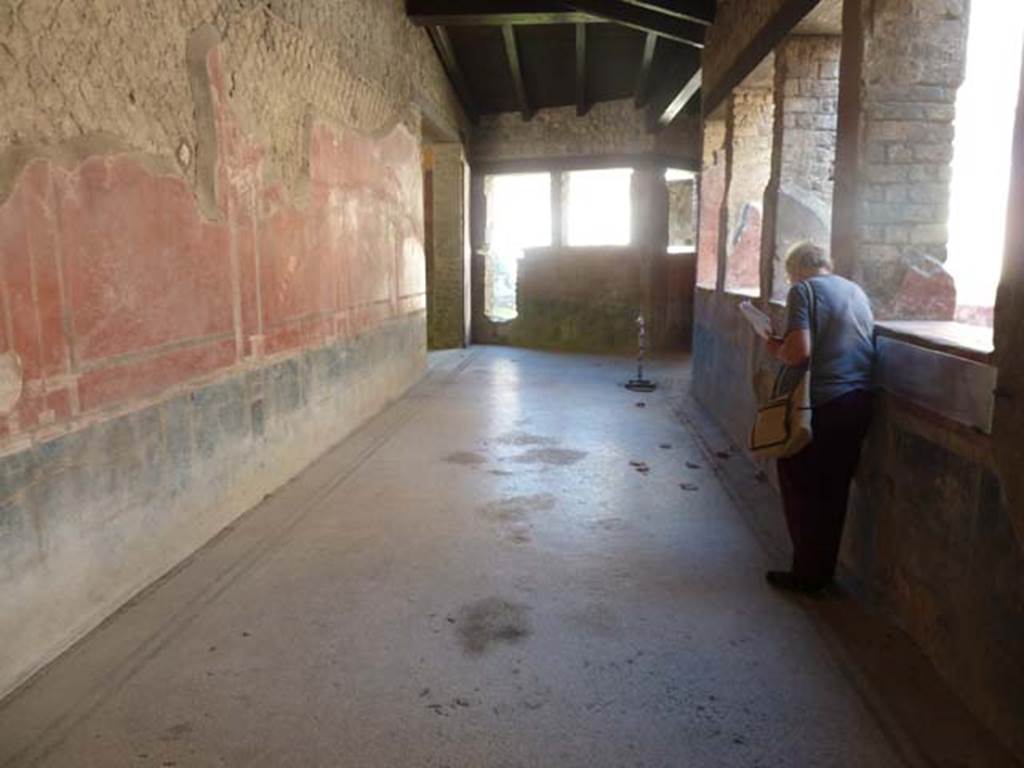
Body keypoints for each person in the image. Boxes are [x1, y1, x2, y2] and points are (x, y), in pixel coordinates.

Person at [764, 242, 874, 594]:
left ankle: (805, 575)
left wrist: (774, 347)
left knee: (798, 481)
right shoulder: (855, 291)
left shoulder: (803, 290)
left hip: (822, 403)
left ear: (795, 269)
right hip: (858, 401)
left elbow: (799, 352)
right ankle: (822, 573)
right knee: (833, 491)